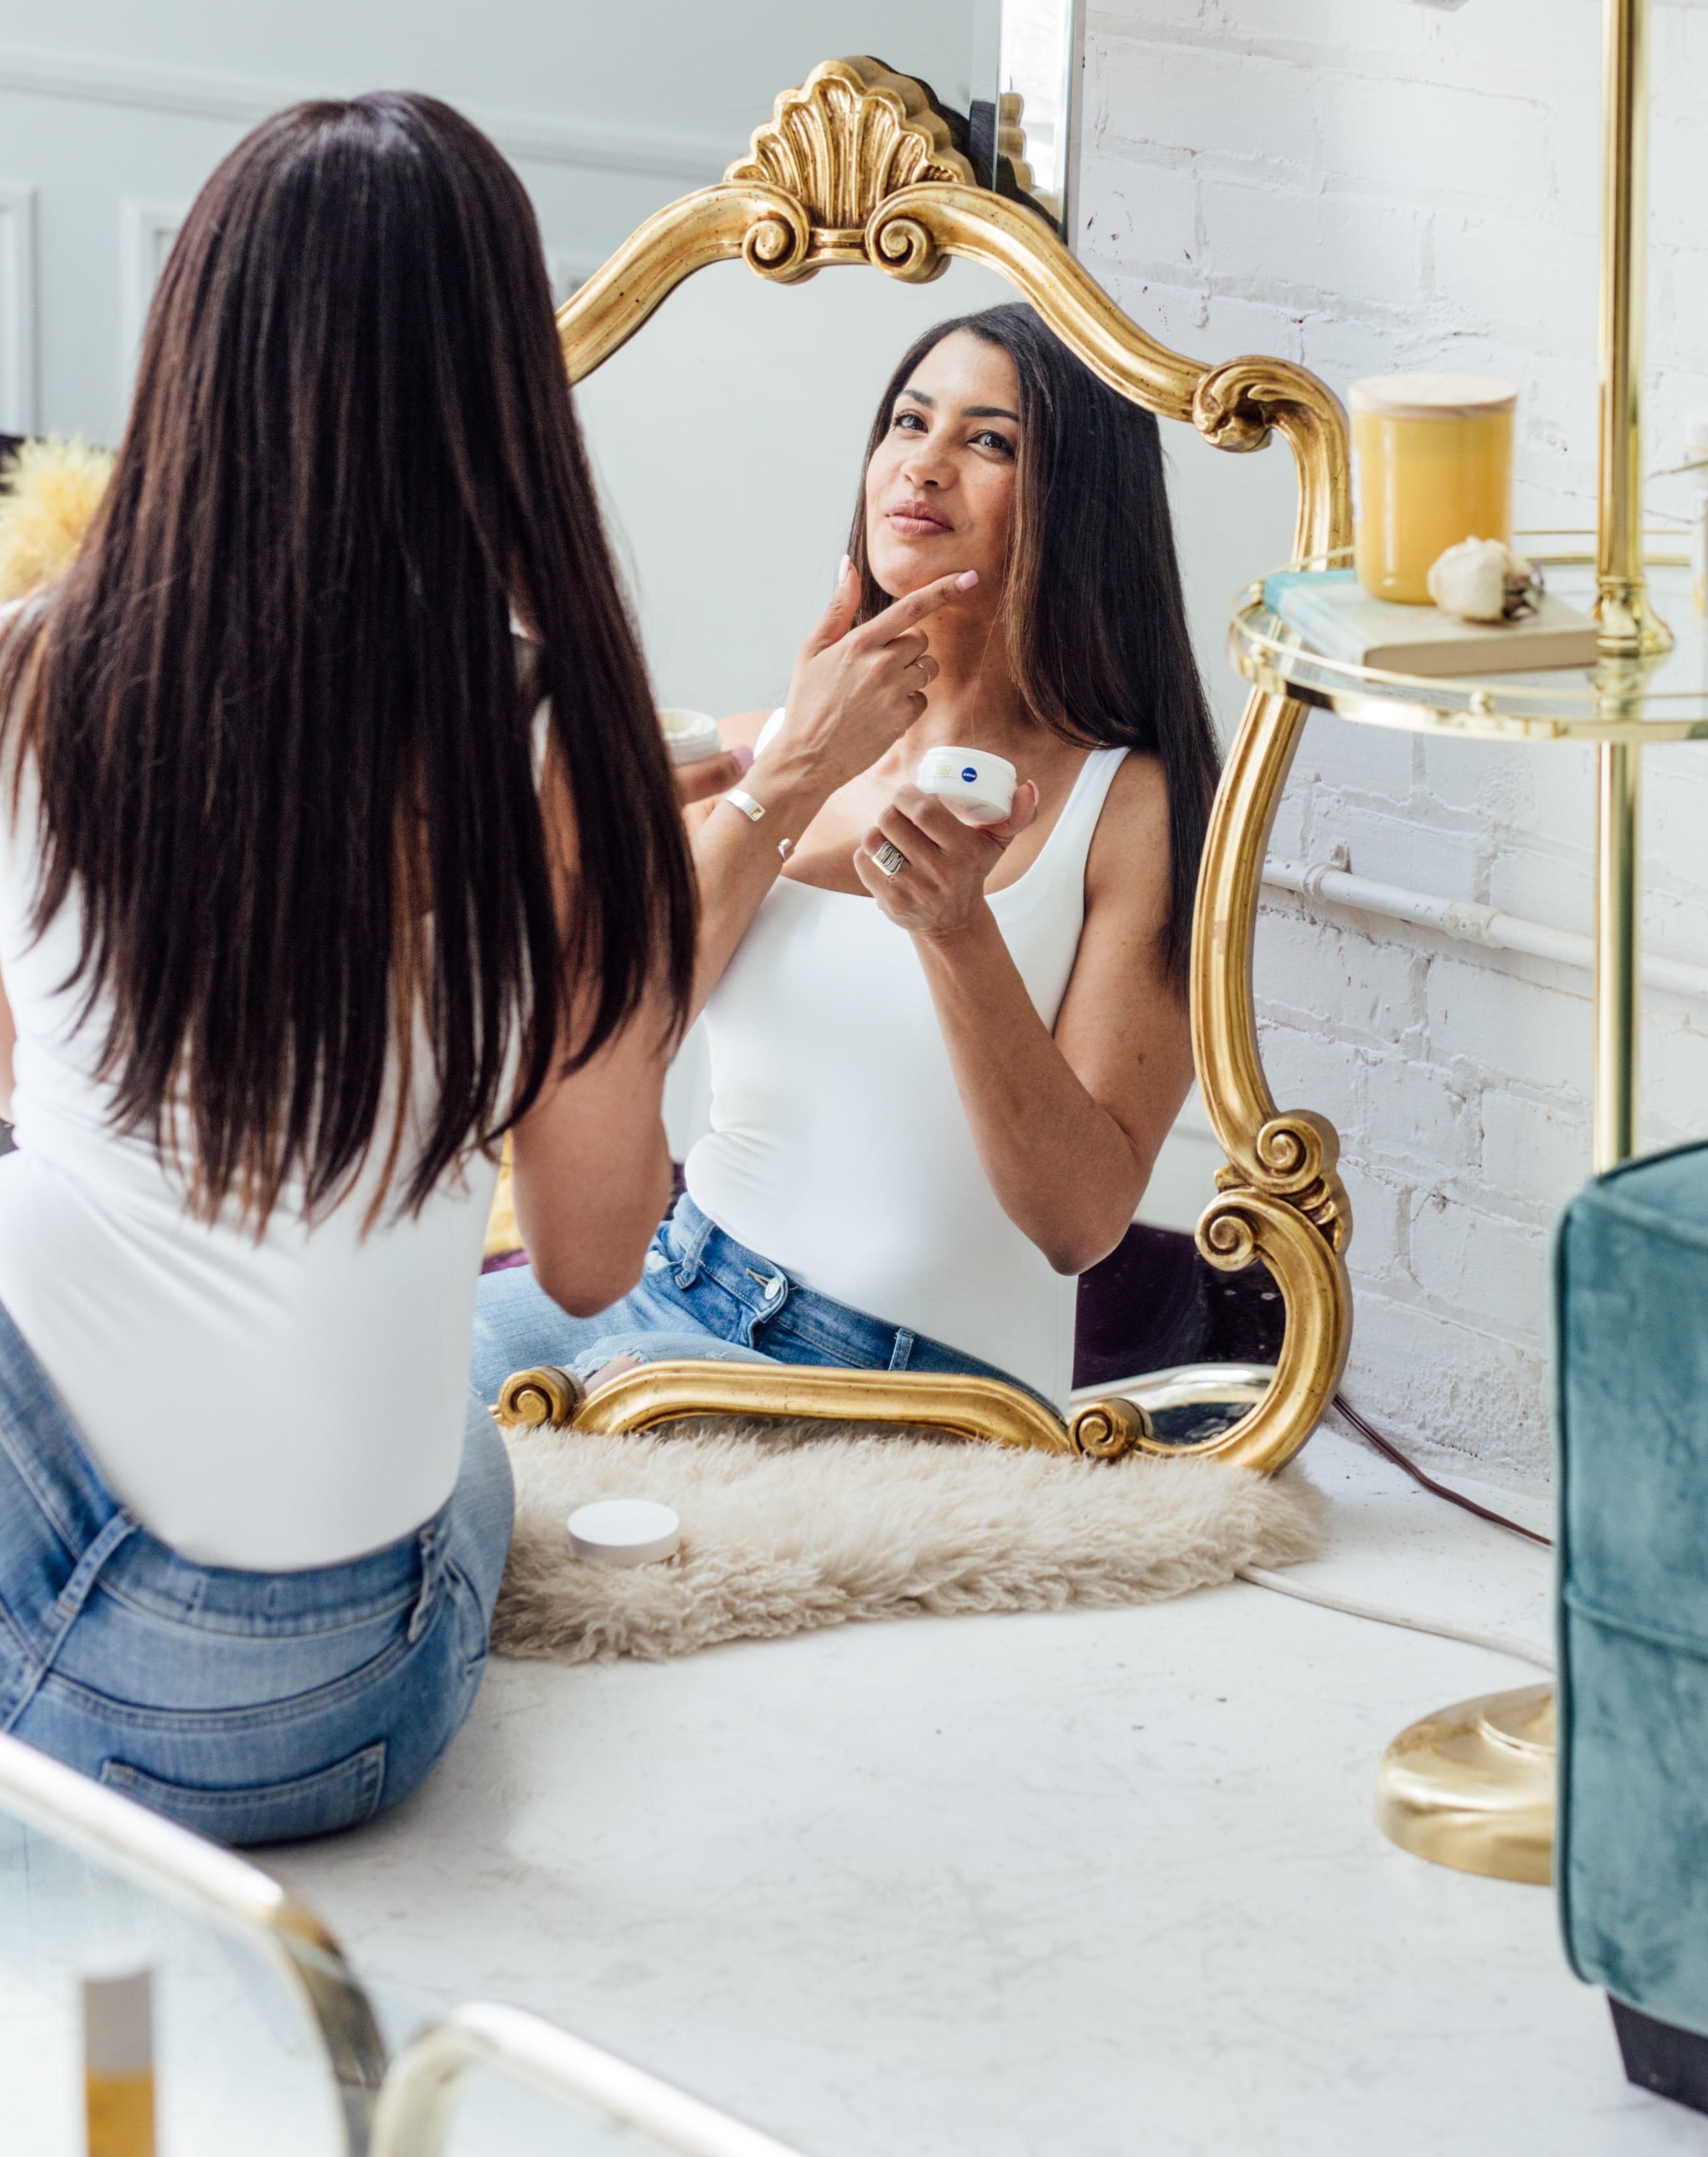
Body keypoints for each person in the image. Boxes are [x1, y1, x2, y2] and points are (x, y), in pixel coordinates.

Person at [0, 95, 700, 1840]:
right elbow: (587, 1259)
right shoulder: (567, 752)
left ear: (193, 347)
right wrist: (653, 902)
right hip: (321, 1720)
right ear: (502, 388)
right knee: (471, 1430)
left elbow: (17, 1086)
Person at [478, 302, 1221, 1416]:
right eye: (908, 423)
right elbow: (622, 1039)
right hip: (673, 1281)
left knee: (594, 1425)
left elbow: (1080, 1224)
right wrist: (794, 773)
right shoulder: (758, 752)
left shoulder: (1132, 807)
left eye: (988, 440)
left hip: (915, 1382)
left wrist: (957, 930)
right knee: (386, 1372)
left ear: (1078, 502)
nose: (923, 463)